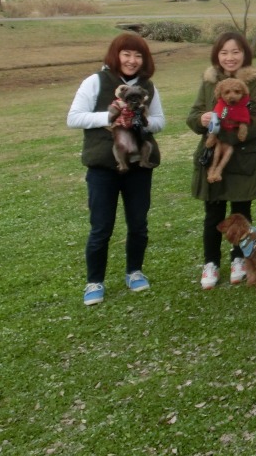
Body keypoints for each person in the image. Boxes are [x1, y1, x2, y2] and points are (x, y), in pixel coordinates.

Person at [67, 32, 165, 306]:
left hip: (139, 166)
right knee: (101, 227)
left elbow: (159, 121)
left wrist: (143, 121)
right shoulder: (95, 81)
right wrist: (111, 117)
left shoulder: (147, 86)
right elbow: (74, 118)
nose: (132, 61)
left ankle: (134, 272)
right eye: (127, 54)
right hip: (103, 167)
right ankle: (94, 281)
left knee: (138, 224)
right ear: (116, 55)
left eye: (138, 56)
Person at [187, 31, 256, 290]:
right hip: (213, 158)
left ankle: (239, 259)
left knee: (241, 212)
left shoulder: (255, 83)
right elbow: (194, 114)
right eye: (224, 52)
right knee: (213, 214)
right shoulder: (209, 81)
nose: (230, 57)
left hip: (243, 157)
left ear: (244, 53)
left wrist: (230, 134)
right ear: (217, 56)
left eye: (235, 52)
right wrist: (200, 120)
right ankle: (211, 262)